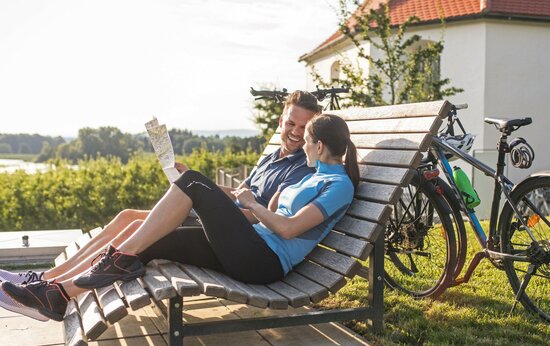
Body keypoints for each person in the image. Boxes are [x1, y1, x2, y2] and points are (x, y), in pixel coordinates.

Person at [1, 114, 359, 322]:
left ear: (320, 146)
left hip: (263, 262)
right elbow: (274, 218)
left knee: (192, 181)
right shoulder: (313, 177)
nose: (304, 147)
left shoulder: (338, 185)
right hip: (250, 244)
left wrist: (254, 203)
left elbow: (289, 228)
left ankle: (108, 265)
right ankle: (59, 294)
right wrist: (260, 207)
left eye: (308, 141)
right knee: (156, 240)